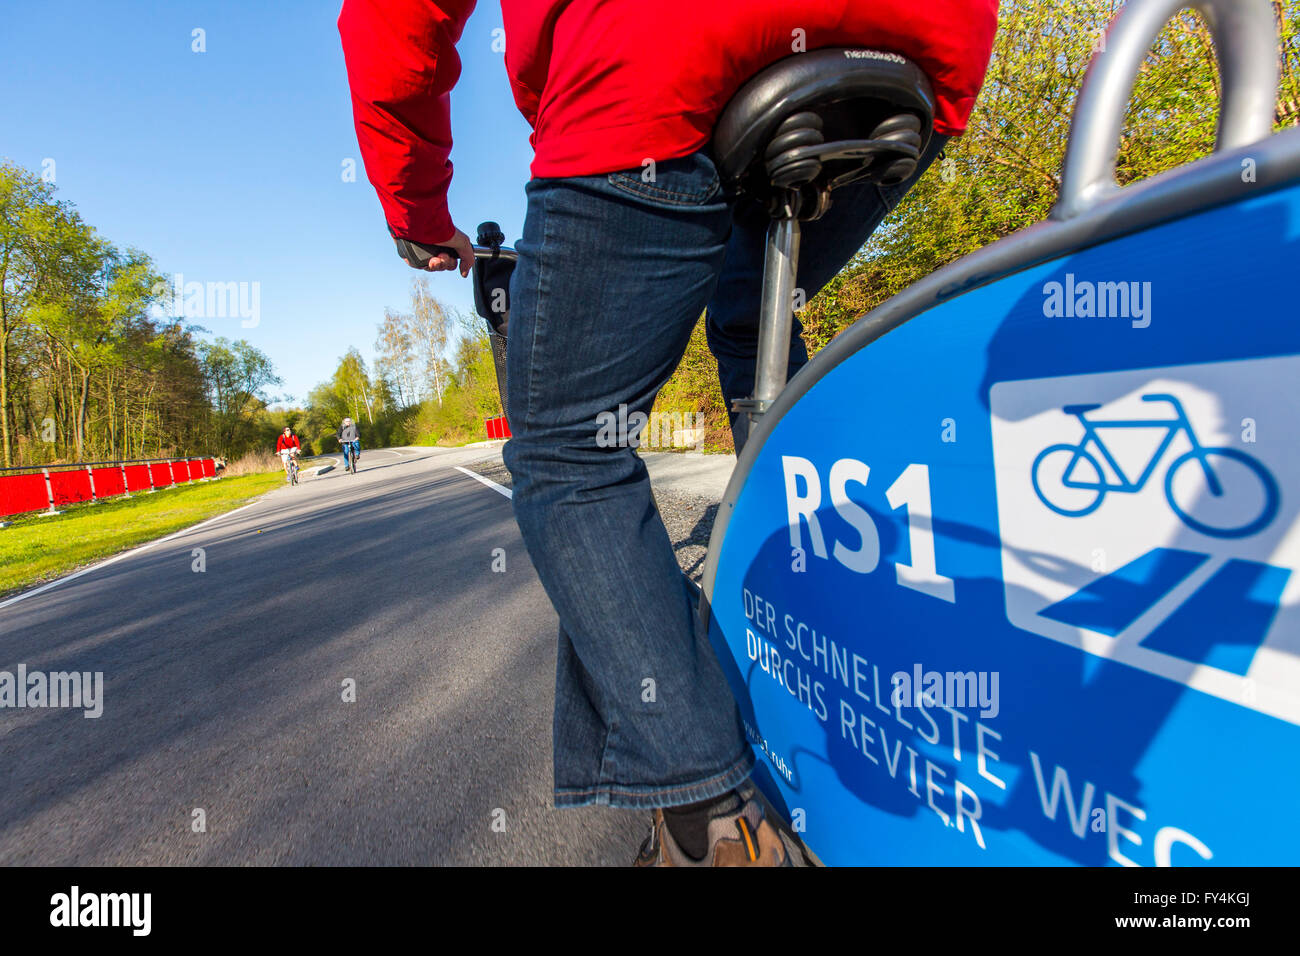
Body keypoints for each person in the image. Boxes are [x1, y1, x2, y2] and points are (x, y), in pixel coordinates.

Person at [340, 0, 998, 866]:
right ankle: (832, 577)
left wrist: (416, 208)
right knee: (748, 311)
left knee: (571, 452)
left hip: (657, 63)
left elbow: (394, 20)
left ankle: (710, 817)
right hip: (917, 52)